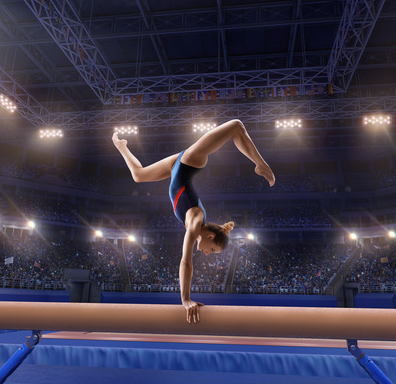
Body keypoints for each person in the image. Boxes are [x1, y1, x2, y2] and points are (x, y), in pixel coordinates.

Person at [112, 119, 274, 323]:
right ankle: (261, 165)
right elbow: (185, 262)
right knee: (236, 126)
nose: (208, 254)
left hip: (177, 166)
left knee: (138, 175)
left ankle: (121, 146)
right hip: (191, 161)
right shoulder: (196, 221)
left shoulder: (198, 227)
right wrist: (185, 299)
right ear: (210, 236)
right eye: (213, 250)